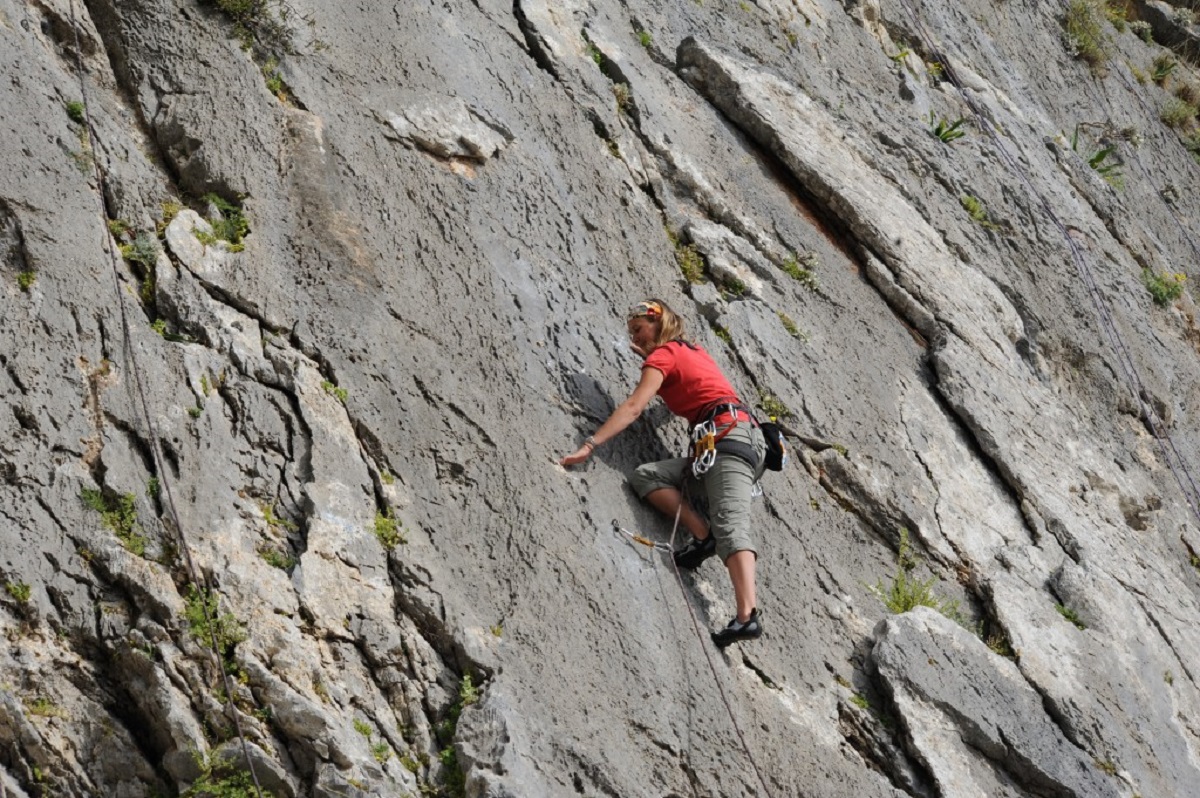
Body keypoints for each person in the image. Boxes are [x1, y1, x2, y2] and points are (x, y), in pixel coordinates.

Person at [559, 299, 767, 646]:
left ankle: (747, 616)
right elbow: (700, 390)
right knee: (647, 476)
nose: (636, 339)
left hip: (729, 439)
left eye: (639, 330)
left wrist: (590, 445)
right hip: (725, 441)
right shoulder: (691, 351)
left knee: (732, 524)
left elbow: (634, 406)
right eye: (632, 334)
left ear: (659, 324)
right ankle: (703, 538)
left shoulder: (664, 356)